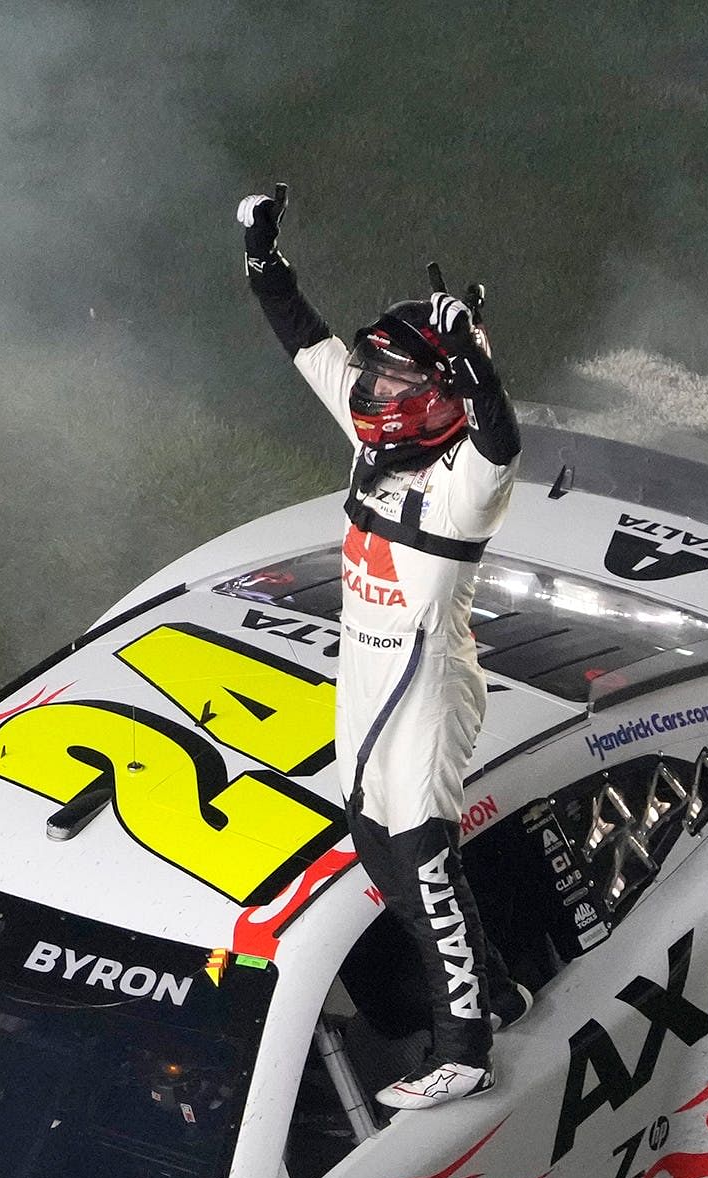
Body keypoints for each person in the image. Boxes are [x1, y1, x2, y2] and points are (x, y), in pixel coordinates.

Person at [238, 183, 532, 1110]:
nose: (371, 391)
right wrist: (260, 254)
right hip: (365, 680)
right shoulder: (375, 442)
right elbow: (305, 342)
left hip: (425, 691)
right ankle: (495, 991)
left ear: (441, 395)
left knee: (424, 862)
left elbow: (501, 438)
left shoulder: (460, 486)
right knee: (377, 849)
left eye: (398, 382)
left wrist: (472, 366)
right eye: (375, 376)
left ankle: (466, 1050)